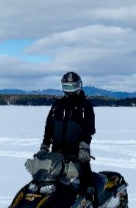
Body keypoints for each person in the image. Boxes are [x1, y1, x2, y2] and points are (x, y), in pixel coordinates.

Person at [38, 71, 97, 199]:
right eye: (66, 87)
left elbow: (89, 128)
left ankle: (93, 205)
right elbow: (49, 126)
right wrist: (45, 145)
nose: (69, 91)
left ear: (79, 86)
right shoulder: (57, 106)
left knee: (86, 181)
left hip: (78, 149)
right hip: (57, 150)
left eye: (72, 87)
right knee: (51, 179)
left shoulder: (85, 106)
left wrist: (84, 146)